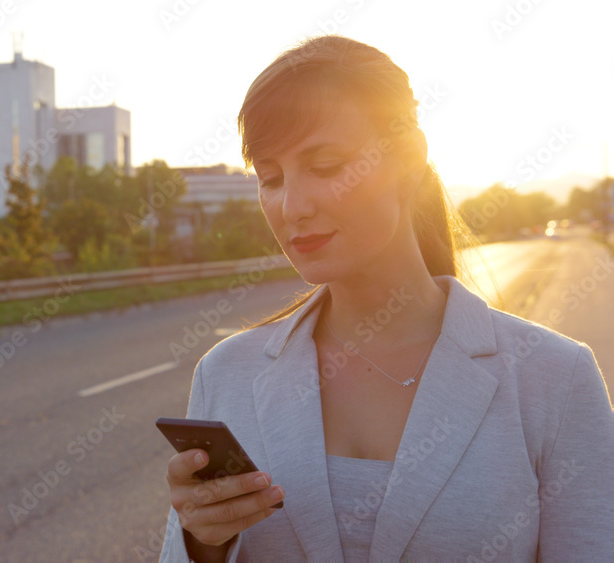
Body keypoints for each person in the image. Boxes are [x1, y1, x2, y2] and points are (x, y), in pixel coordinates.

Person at [158, 35, 614, 562]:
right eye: (271, 178)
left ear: (408, 159)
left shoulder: (556, 381)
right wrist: (204, 545)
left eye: (326, 166)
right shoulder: (225, 375)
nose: (293, 206)